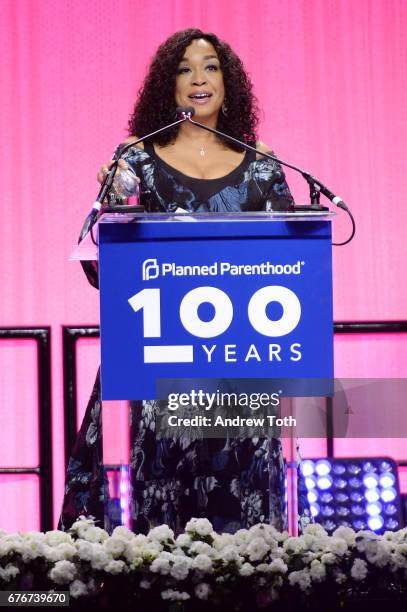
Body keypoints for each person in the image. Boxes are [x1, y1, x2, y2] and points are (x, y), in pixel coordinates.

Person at [59, 28, 312, 534]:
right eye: (184, 69)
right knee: (165, 522)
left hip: (240, 363)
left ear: (228, 81)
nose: (199, 79)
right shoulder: (136, 159)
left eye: (210, 66)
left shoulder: (262, 165)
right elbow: (95, 262)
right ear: (167, 86)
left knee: (246, 527)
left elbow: (294, 258)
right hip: (160, 364)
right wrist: (115, 201)